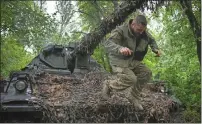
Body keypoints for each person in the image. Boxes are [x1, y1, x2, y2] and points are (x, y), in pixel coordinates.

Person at [102, 15, 161, 110]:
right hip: (119, 61)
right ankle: (109, 85)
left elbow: (152, 40)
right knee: (131, 79)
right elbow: (107, 44)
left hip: (133, 61)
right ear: (133, 24)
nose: (141, 32)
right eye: (139, 29)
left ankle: (133, 96)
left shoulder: (143, 32)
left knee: (147, 73)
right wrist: (120, 48)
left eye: (143, 30)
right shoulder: (120, 30)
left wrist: (156, 49)